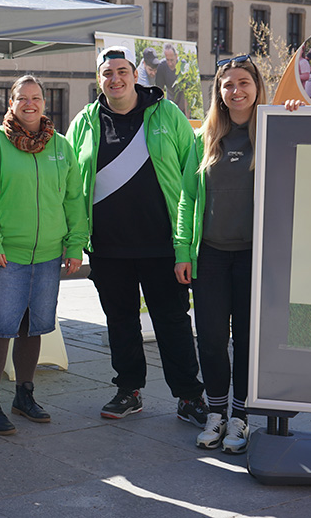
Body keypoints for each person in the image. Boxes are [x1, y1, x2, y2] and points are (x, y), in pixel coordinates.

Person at [67, 46, 209, 425]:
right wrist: (73, 239)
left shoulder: (166, 113)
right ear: (99, 79)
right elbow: (69, 181)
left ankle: (190, 396)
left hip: (162, 243)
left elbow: (192, 173)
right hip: (108, 246)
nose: (115, 78)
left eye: (122, 71)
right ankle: (128, 390)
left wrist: (186, 241)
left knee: (173, 321)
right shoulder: (85, 120)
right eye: (107, 73)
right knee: (120, 320)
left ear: (135, 74)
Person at [0, 75, 89, 435]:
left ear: (44, 102)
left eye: (36, 97)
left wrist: (74, 244)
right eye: (22, 98)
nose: (30, 103)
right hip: (6, 255)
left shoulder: (60, 145)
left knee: (34, 325)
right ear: (10, 103)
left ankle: (24, 395)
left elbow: (74, 198)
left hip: (48, 254)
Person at [174, 53, 267, 454]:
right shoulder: (205, 137)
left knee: (246, 340)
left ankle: (241, 417)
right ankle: (216, 413)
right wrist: (182, 249)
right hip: (209, 255)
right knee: (211, 339)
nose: (236, 90)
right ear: (219, 92)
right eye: (228, 85)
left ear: (257, 87)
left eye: (244, 83)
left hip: (253, 257)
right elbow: (186, 198)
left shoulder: (271, 131)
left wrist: (298, 112)